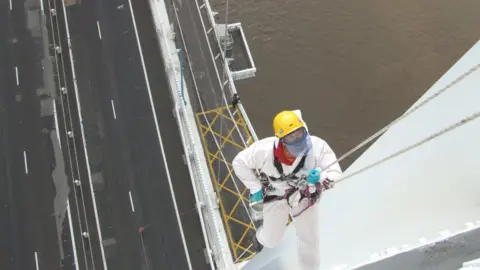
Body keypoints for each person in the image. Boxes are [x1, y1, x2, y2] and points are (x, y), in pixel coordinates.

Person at [232, 110, 343, 270]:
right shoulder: (264, 151)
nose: (298, 139)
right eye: (292, 137)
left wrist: (320, 177)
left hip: (306, 195)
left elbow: (336, 174)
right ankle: (260, 239)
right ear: (281, 140)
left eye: (300, 133)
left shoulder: (316, 146)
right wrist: (255, 187)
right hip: (276, 195)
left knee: (309, 239)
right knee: (272, 240)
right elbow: (239, 163)